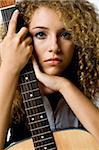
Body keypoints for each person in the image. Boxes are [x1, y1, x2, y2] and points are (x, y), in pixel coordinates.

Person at [0, 0, 99, 149]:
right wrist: (9, 68)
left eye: (66, 34)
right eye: (40, 34)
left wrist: (64, 86)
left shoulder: (90, 86)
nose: (54, 47)